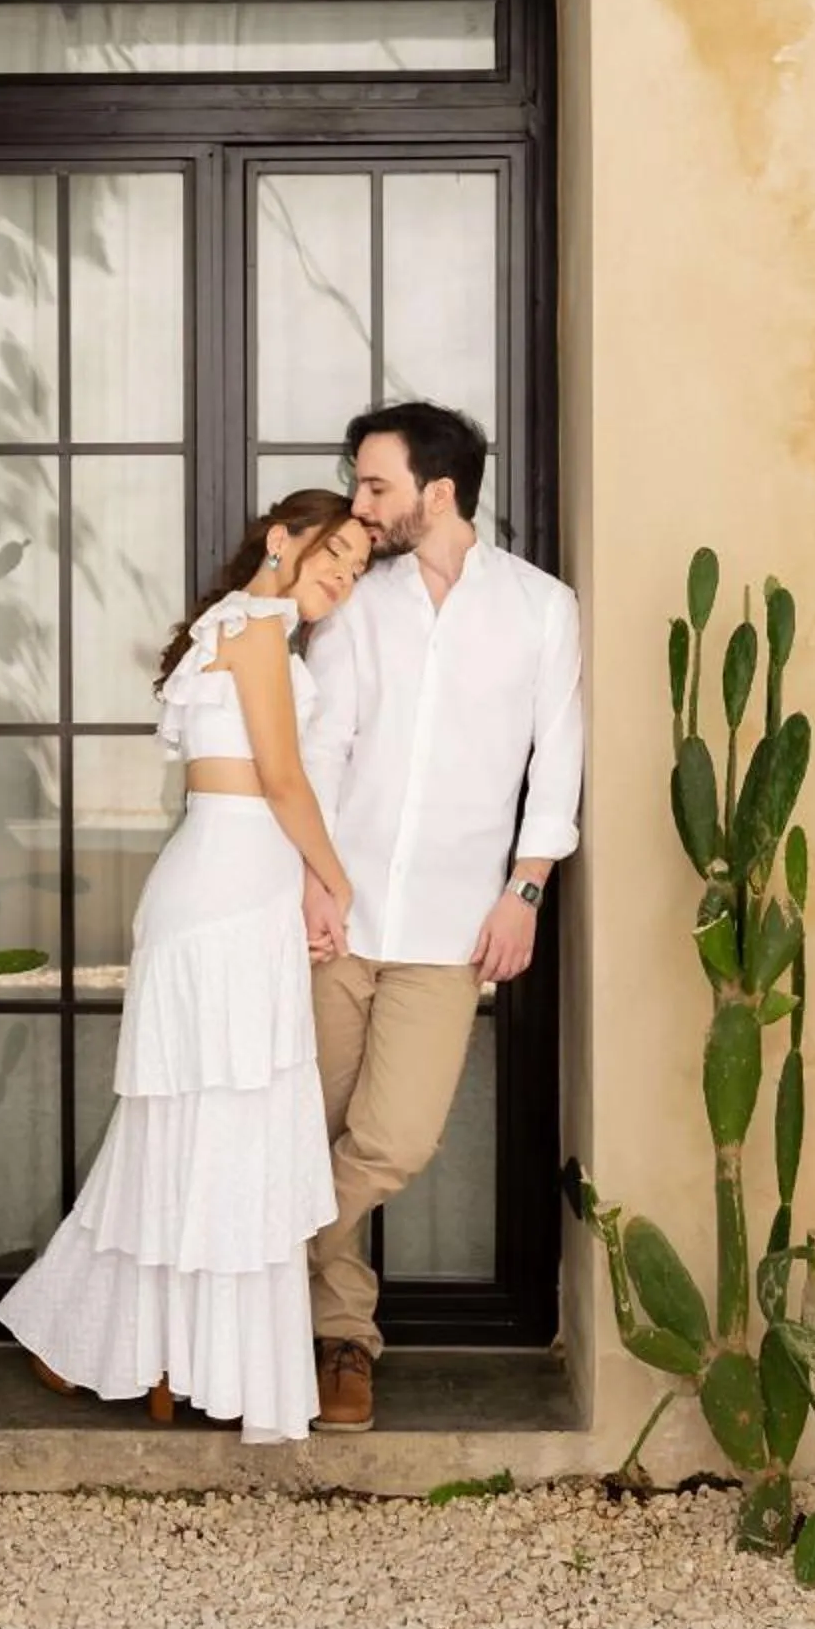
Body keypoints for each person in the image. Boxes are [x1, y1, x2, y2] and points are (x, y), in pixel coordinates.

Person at [0, 489, 374, 1442]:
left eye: (362, 567)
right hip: (224, 896)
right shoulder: (253, 628)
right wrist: (338, 885)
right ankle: (143, 1348)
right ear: (283, 539)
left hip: (230, 883)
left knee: (198, 1130)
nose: (346, 574)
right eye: (338, 551)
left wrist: (303, 887)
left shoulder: (240, 630)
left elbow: (261, 790)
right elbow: (281, 783)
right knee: (209, 1128)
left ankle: (158, 1354)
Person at [298, 402, 586, 1431]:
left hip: (453, 928)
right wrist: (314, 879)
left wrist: (527, 889)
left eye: (375, 486)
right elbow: (324, 745)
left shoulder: (541, 608)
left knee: (392, 1140)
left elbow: (558, 756)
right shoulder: (356, 607)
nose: (359, 505)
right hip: (337, 915)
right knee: (313, 1129)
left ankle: (235, 1269)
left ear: (439, 491)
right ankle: (342, 1339)